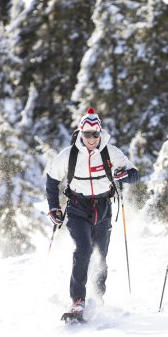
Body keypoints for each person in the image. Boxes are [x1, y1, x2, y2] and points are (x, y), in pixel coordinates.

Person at [46, 107, 139, 319]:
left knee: (100, 255)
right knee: (83, 249)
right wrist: (53, 207)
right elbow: (52, 181)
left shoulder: (111, 152)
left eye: (95, 134)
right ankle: (77, 300)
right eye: (87, 134)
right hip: (78, 208)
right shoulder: (68, 155)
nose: (91, 138)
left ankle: (98, 296)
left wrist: (125, 175)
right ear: (80, 133)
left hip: (103, 207)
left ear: (100, 132)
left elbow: (134, 174)